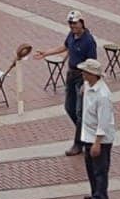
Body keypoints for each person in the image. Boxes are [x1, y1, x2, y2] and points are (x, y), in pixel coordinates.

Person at [40, 12, 97, 153]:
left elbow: (92, 63)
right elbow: (65, 47)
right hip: (71, 75)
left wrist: (86, 82)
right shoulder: (71, 35)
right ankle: (84, 132)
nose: (73, 26)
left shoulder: (89, 41)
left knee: (80, 111)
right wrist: (46, 53)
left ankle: (78, 143)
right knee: (69, 107)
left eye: (75, 23)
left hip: (82, 76)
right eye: (71, 24)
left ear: (82, 23)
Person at [78, 58, 115, 199]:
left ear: (92, 74)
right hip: (88, 134)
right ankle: (97, 193)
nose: (83, 74)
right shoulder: (88, 85)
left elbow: (104, 122)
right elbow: (84, 87)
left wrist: (97, 142)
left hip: (99, 138)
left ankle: (100, 198)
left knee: (99, 169)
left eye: (85, 72)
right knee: (90, 167)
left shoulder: (103, 95)